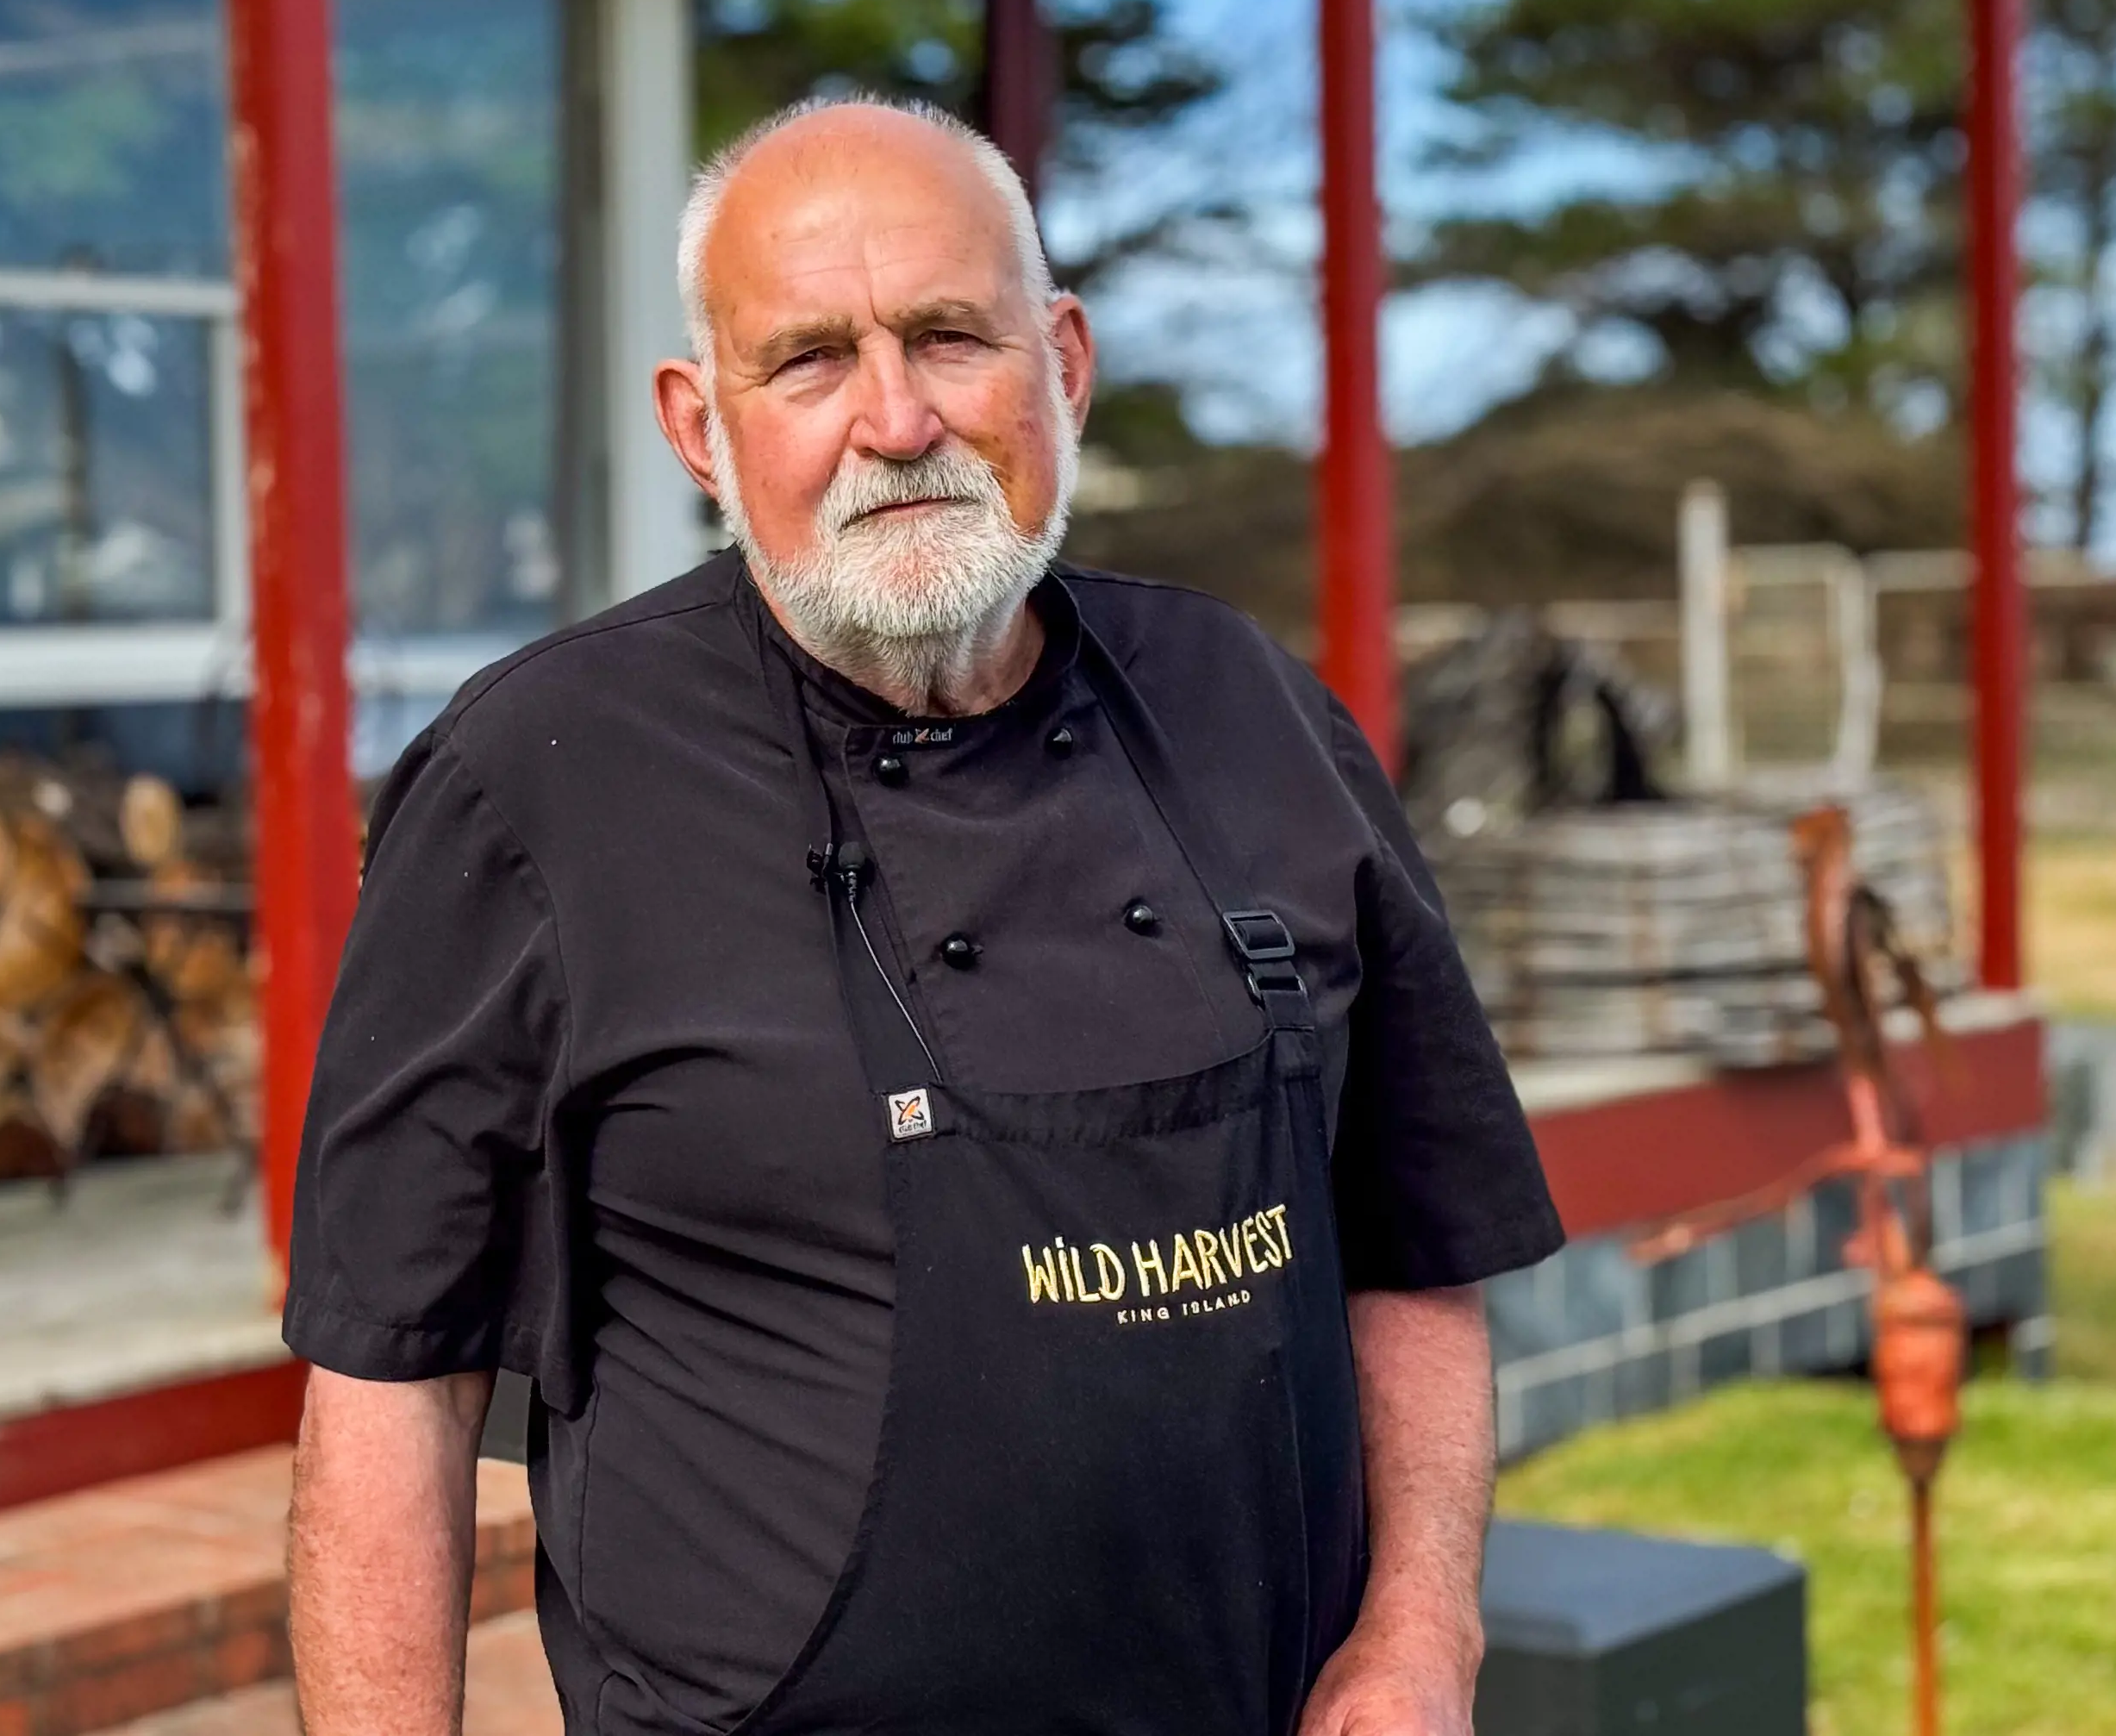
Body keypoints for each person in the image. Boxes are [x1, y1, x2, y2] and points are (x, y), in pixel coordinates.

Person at [281, 97, 1566, 1736]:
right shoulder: (536, 781)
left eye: (951, 337)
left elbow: (1414, 1244)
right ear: (698, 429)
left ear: (1065, 364)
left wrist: (1421, 1633)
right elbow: (392, 1382)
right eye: (809, 361)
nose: (896, 422)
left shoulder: (1251, 708)